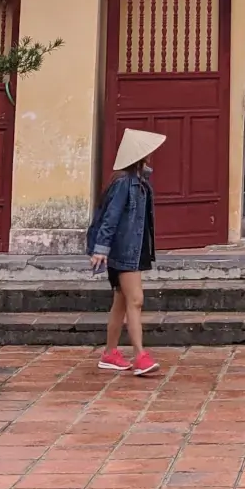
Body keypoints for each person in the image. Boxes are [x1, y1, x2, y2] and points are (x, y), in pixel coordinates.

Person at [88, 128, 165, 376]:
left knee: (120, 303)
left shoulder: (139, 181)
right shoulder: (124, 183)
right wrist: (101, 248)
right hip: (124, 250)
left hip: (133, 248)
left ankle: (110, 353)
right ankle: (140, 355)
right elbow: (110, 218)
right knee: (136, 300)